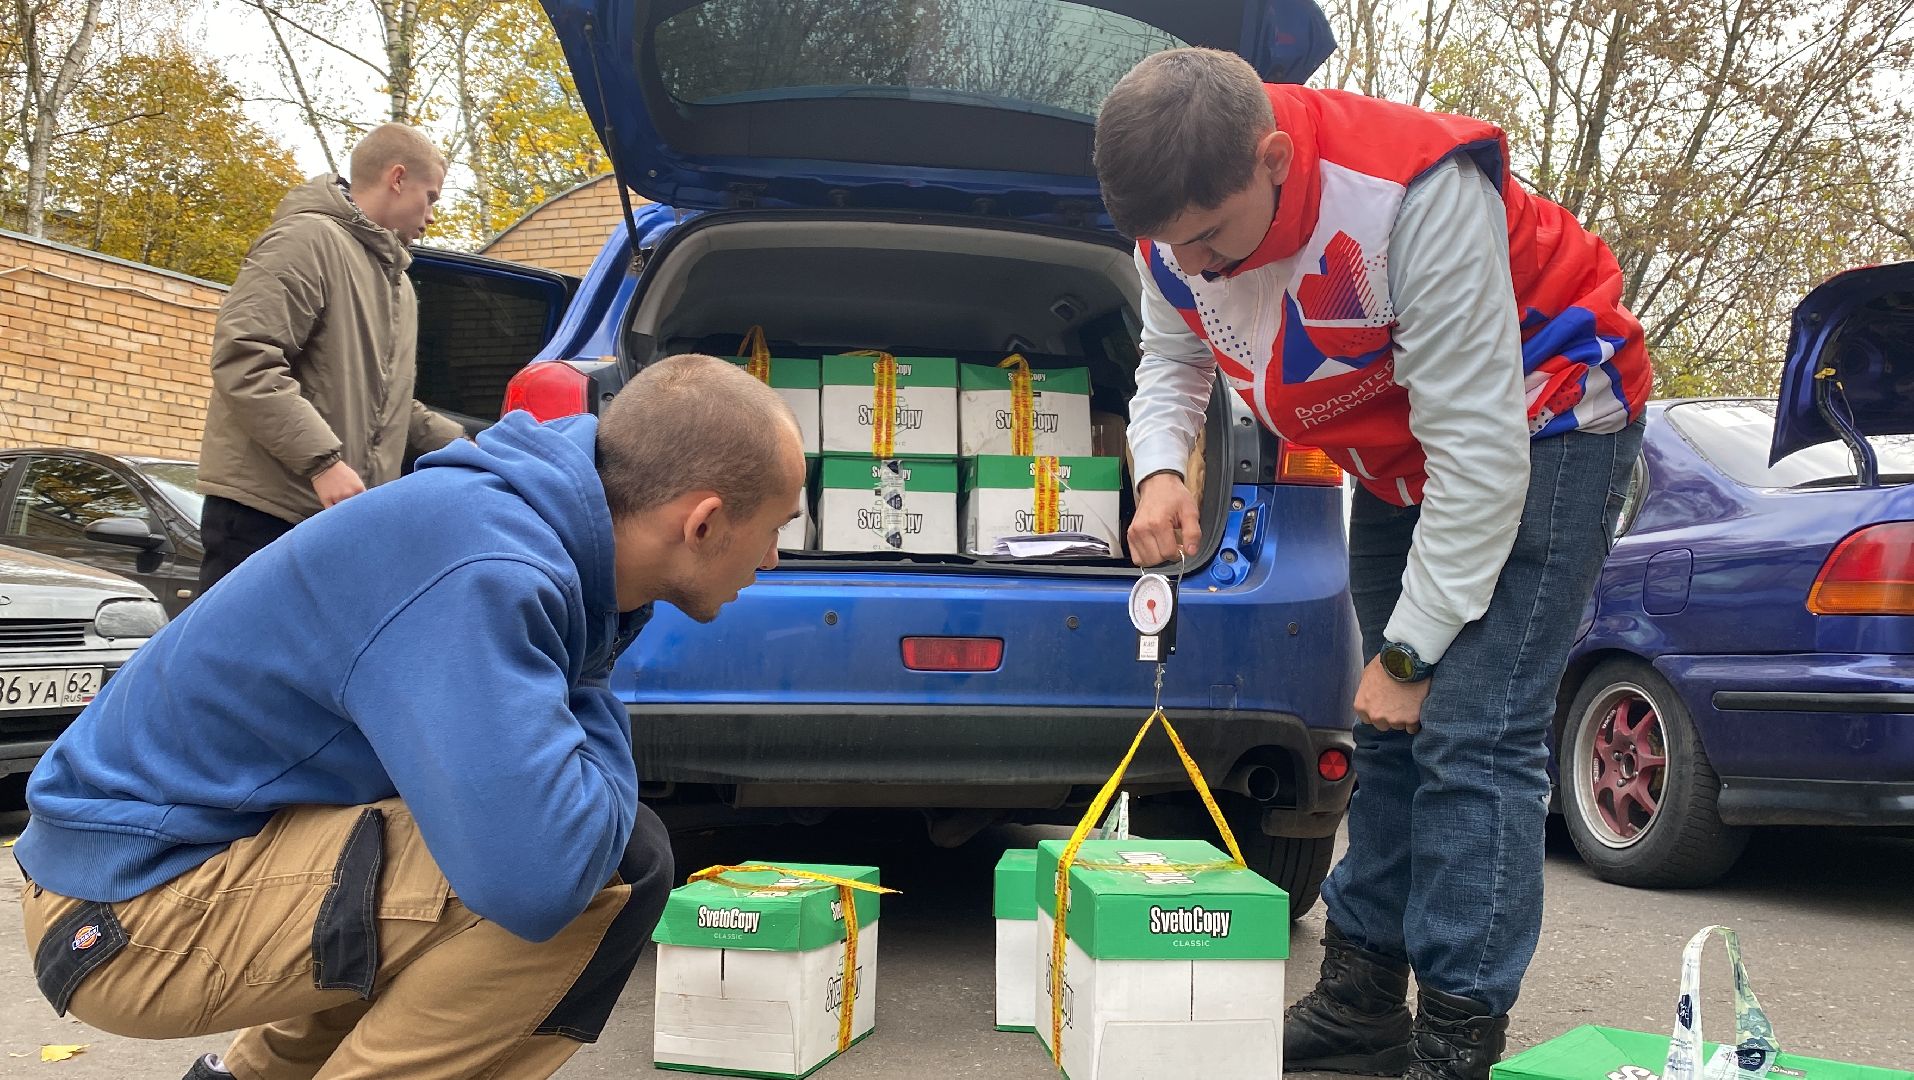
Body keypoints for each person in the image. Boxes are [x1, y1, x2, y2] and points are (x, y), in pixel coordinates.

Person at [14, 354, 806, 1080]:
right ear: (703, 523)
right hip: (127, 909)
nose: (772, 558)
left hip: (160, 865)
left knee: (502, 837)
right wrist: (595, 673)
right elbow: (539, 878)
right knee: (604, 867)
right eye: (774, 529)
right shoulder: (488, 566)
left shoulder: (519, 531)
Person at [1097, 49, 1651, 1079]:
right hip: (1399, 453)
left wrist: (1410, 653)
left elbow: (1480, 459)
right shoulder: (1176, 229)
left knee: (1474, 734)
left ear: (1272, 159)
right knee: (1385, 732)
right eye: (1174, 245)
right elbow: (1172, 356)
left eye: (1211, 236)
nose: (1197, 266)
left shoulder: (1410, 201)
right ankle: (1360, 1004)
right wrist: (1162, 471)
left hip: (1546, 422)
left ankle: (1455, 1041)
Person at [196, 122, 467, 593]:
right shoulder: (305, 240)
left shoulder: (398, 284)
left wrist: (467, 446)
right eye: (430, 198)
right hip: (267, 515)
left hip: (339, 521)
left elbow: (389, 404)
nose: (430, 217)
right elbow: (246, 359)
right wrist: (322, 463)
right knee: (240, 645)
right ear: (397, 178)